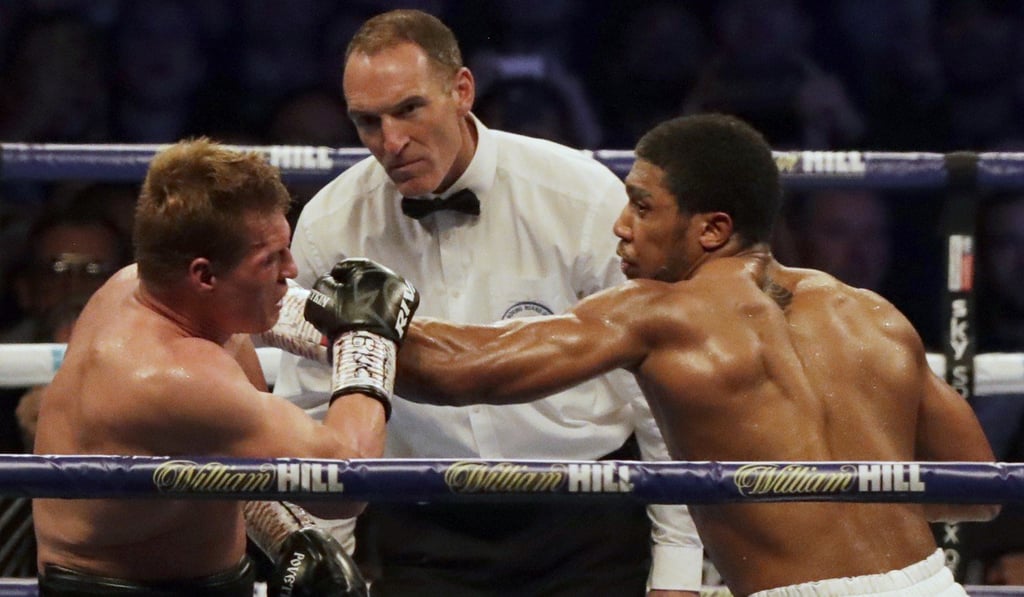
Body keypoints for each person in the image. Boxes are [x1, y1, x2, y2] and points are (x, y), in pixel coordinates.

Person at [353, 112, 997, 596]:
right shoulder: (871, 313)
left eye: (640, 205)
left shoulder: (658, 312)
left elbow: (459, 372)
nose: (619, 225)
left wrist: (315, 310)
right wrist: (834, 506)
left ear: (711, 228)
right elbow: (975, 489)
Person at [274, 8, 703, 597]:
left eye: (409, 109)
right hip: (424, 526)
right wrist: (327, 563)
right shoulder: (331, 225)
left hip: (586, 516)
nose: (391, 142)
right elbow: (311, 412)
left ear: (461, 91)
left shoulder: (578, 196)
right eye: (367, 122)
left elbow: (657, 388)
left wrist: (678, 562)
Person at [31, 138, 420, 596]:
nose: (291, 270)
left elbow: (230, 450)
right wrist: (367, 343)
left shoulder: (144, 285)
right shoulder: (171, 377)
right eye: (271, 259)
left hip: (211, 575)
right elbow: (345, 480)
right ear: (205, 275)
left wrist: (287, 535)